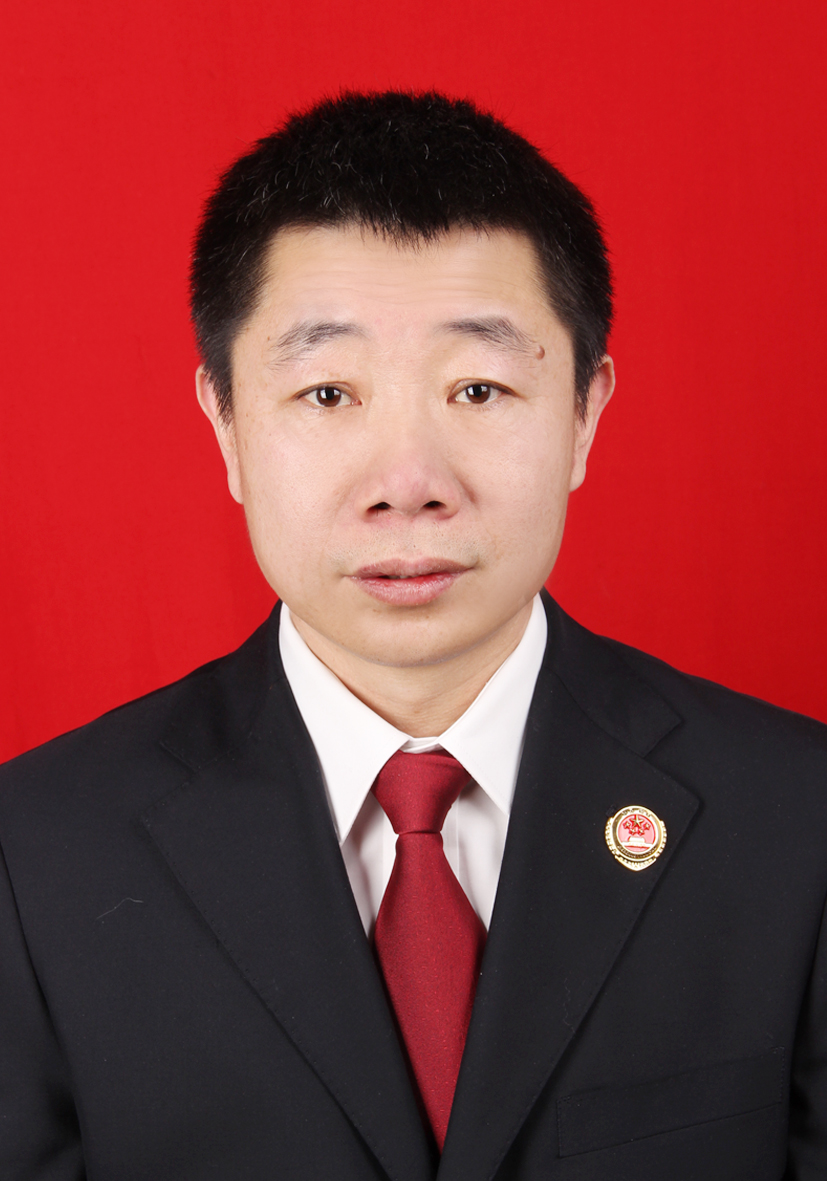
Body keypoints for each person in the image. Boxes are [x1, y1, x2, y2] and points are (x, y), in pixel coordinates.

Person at [1, 91, 825, 1181]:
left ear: (584, 413)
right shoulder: (37, 853)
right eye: (326, 392)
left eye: (477, 387)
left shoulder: (797, 820)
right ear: (226, 424)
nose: (407, 482)